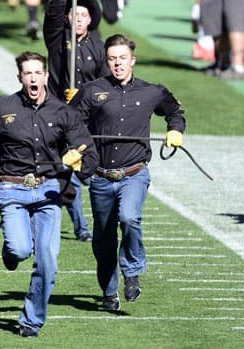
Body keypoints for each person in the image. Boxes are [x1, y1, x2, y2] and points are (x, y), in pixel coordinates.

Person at [0, 51, 97, 338]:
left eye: (37, 73)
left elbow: (88, 152)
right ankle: (11, 251)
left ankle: (31, 320)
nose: (33, 78)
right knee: (20, 249)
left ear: (46, 76)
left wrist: (78, 160)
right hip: (12, 189)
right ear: (19, 77)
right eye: (27, 73)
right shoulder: (1, 108)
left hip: (48, 191)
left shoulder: (63, 112)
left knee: (48, 260)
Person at [72, 34, 186, 311]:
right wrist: (75, 149)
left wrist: (175, 129)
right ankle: (109, 293)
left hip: (134, 173)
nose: (117, 64)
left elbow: (175, 111)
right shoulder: (91, 91)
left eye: (122, 58)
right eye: (112, 59)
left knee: (130, 216)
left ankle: (132, 271)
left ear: (132, 60)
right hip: (100, 176)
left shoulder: (152, 92)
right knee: (103, 240)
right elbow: (69, 122)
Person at [43, 0, 107, 242]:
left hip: (88, 119)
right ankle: (81, 225)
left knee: (87, 172)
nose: (79, 18)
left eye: (83, 14)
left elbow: (105, 87)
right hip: (59, 116)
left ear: (90, 20)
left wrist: (82, 97)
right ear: (67, 18)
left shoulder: (99, 48)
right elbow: (51, 16)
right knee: (69, 168)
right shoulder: (57, 39)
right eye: (74, 13)